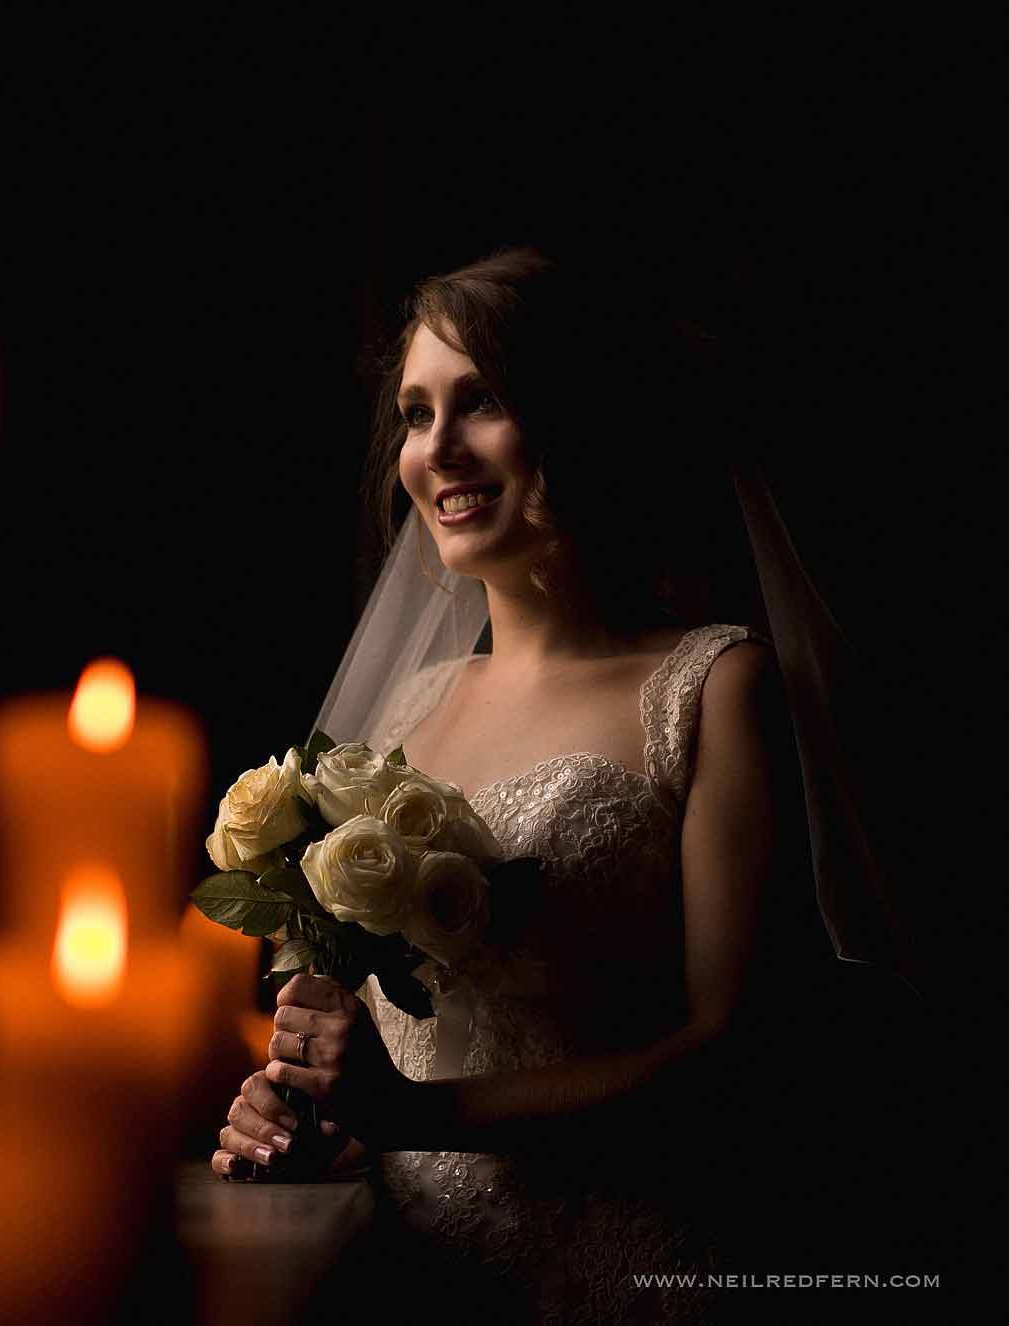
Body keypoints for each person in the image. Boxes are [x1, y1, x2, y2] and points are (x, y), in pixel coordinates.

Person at [209, 247, 920, 1321]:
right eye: (411, 413)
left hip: (615, 1267)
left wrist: (419, 1112)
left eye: (478, 401)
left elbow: (724, 1057)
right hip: (397, 1272)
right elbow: (370, 1030)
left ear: (584, 416)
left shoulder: (711, 684)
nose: (433, 448)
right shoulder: (409, 706)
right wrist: (294, 1101)